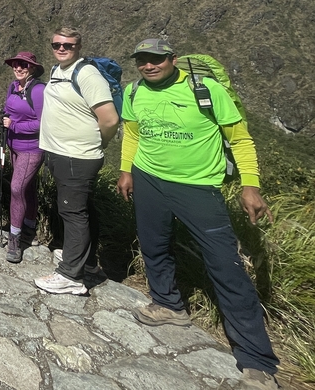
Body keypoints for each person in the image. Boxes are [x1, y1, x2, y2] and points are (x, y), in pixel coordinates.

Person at [118, 39, 279, 390]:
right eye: (142, 61)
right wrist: (126, 170)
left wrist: (250, 185)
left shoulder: (205, 89)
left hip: (199, 186)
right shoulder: (133, 92)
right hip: (148, 178)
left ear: (172, 59)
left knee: (225, 264)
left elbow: (240, 139)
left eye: (156, 60)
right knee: (154, 244)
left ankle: (257, 360)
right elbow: (132, 134)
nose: (148, 66)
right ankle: (168, 305)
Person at [34, 27, 120, 295]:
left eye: (68, 46)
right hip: (60, 153)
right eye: (57, 44)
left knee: (72, 212)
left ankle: (71, 275)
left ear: (78, 48)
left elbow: (109, 119)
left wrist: (99, 142)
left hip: (77, 155)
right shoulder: (57, 71)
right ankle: (88, 261)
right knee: (81, 209)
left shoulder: (87, 74)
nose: (61, 49)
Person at [1, 51, 46, 262]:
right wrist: (4, 115)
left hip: (31, 148)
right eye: (16, 64)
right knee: (26, 187)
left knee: (16, 188)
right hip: (13, 146)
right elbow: (8, 109)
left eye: (24, 66)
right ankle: (29, 225)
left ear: (33, 69)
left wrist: (15, 125)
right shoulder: (13, 86)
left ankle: (15, 238)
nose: (18, 68)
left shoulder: (38, 91)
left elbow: (43, 123)